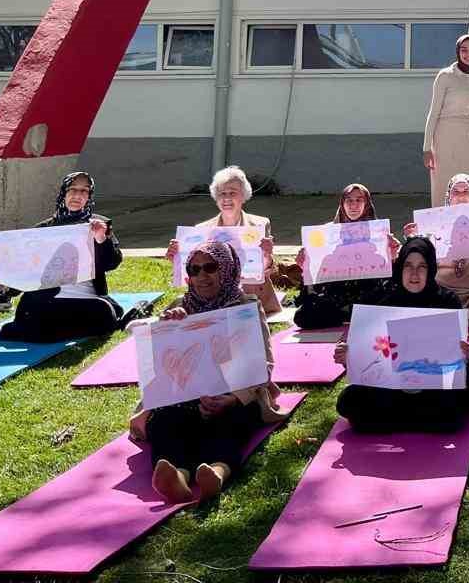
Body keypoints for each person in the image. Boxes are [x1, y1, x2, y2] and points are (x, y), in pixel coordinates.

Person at [131, 240, 288, 503]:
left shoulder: (245, 307)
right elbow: (161, 363)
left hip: (233, 393)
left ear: (226, 269)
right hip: (186, 396)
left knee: (233, 420)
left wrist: (232, 398)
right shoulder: (178, 306)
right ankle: (177, 477)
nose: (202, 276)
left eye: (210, 267)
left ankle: (217, 473)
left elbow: (262, 364)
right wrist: (168, 326)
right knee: (165, 420)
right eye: (194, 270)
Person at [333, 236, 469, 432]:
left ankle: (392, 421)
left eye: (422, 266)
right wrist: (348, 356)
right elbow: (367, 359)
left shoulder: (447, 302)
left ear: (431, 268)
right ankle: (416, 420)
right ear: (400, 267)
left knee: (452, 407)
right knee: (350, 401)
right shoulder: (383, 303)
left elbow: (457, 369)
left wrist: (463, 356)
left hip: (431, 388)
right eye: (408, 265)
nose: (414, 273)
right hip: (389, 388)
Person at [0, 172, 128, 342]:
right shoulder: (43, 229)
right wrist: (6, 285)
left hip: (85, 298)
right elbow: (28, 271)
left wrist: (101, 239)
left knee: (105, 314)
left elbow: (112, 263)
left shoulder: (99, 224)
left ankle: (24, 330)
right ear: (63, 193)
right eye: (72, 189)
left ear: (90, 196)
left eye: (84, 191)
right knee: (33, 309)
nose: (77, 195)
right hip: (48, 299)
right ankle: (28, 328)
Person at [166, 166, 281, 316]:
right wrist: (176, 258)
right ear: (216, 198)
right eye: (222, 194)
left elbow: (262, 272)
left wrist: (266, 255)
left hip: (252, 295)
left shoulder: (260, 225)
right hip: (213, 299)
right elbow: (194, 271)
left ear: (243, 196)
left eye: (232, 193)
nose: (226, 198)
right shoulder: (201, 229)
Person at [405, 174, 469, 326]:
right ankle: (452, 315)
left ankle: (455, 318)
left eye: (466, 192)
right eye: (456, 192)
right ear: (449, 196)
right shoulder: (434, 223)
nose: (461, 197)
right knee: (426, 302)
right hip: (445, 289)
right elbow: (422, 258)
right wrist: (412, 238)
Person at [292, 184, 400, 330]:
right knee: (303, 316)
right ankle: (347, 315)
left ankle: (357, 315)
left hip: (371, 295)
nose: (353, 205)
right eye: (349, 200)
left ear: (366, 203)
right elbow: (319, 279)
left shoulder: (379, 234)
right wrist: (306, 263)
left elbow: (388, 277)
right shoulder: (327, 233)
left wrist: (393, 256)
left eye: (359, 200)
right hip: (336, 298)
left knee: (391, 307)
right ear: (342, 204)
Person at [422, 34, 469, 206]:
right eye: (464, 50)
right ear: (458, 52)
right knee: (444, 185)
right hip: (445, 138)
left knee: (468, 187)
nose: (468, 54)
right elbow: (433, 113)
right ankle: (439, 227)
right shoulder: (445, 76)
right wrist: (427, 147)